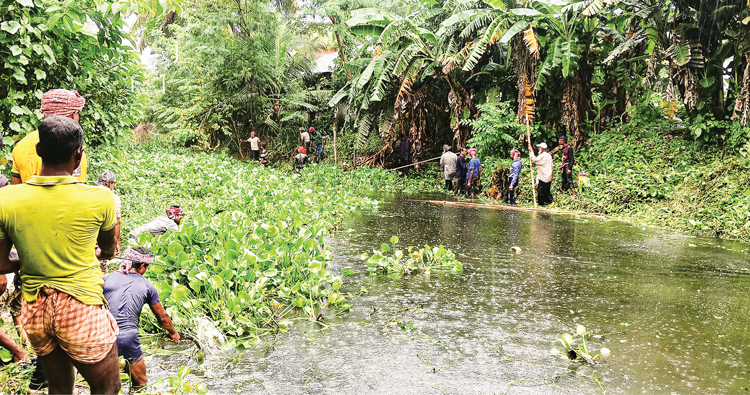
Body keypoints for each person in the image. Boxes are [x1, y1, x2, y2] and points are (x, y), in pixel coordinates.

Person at [0, 115, 120, 394]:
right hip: (81, 304)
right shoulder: (101, 197)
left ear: (39, 150)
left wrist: (31, 260)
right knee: (108, 389)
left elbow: (2, 263)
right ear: (78, 154)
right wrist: (95, 252)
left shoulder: (5, 199)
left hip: (36, 308)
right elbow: (110, 249)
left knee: (60, 387)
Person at [103, 247, 179, 390]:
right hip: (128, 338)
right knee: (141, 384)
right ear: (142, 267)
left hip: (103, 336)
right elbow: (162, 317)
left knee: (104, 387)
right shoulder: (147, 286)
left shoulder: (106, 279)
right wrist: (174, 334)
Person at [11, 89, 89, 185]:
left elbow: (16, 189)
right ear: (73, 115)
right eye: (78, 113)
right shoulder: (74, 150)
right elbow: (76, 192)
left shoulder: (21, 145)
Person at [98, 170, 121, 255]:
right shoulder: (114, 198)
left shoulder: (90, 194)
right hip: (105, 234)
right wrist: (117, 242)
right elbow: (117, 222)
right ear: (110, 184)